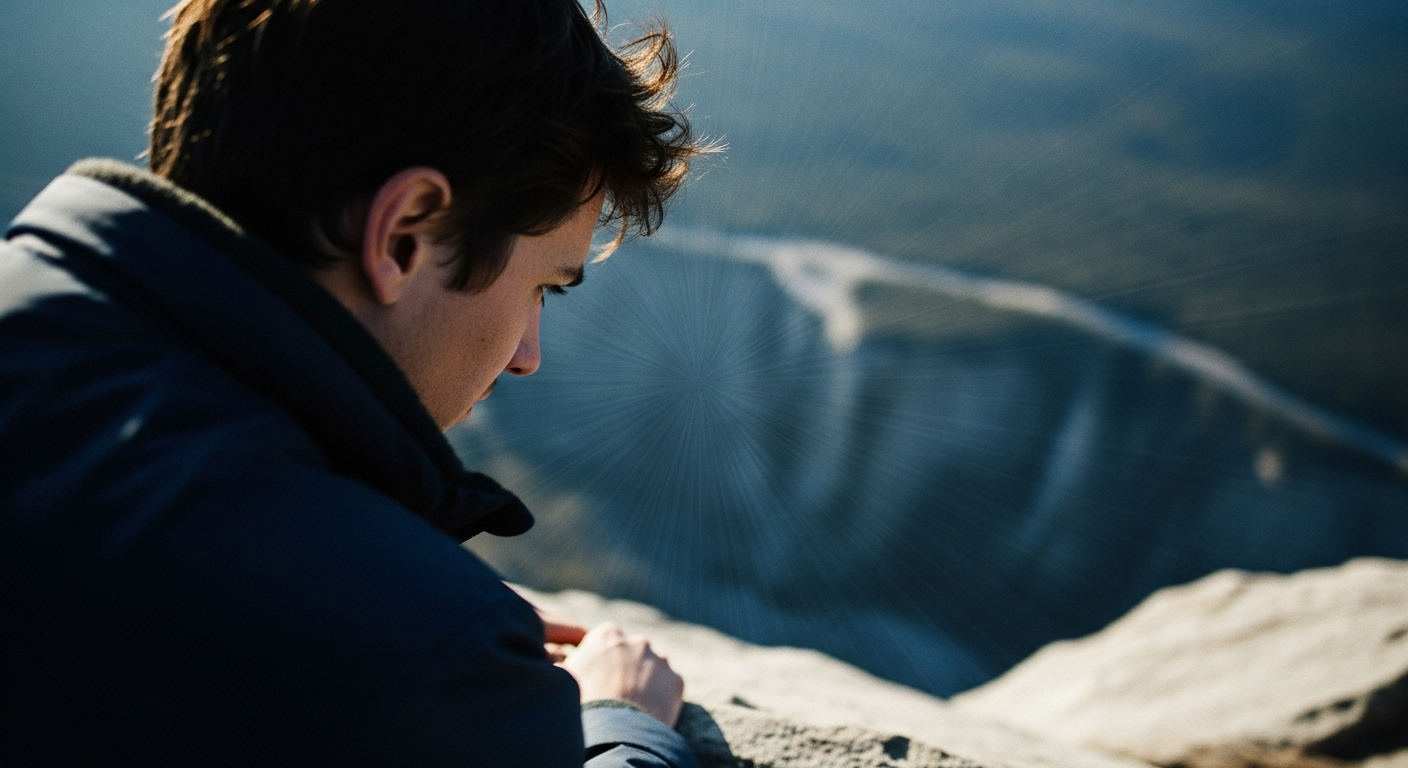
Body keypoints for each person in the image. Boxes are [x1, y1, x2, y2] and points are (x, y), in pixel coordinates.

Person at [0, 0, 711, 765]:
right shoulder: (408, 651)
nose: (527, 354)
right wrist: (620, 721)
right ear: (404, 234)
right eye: (543, 287)